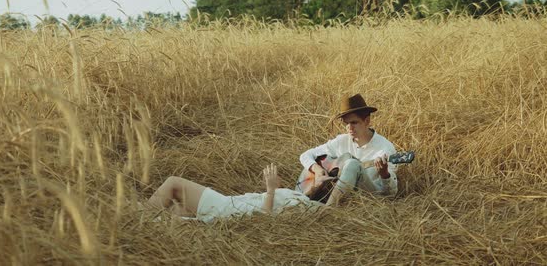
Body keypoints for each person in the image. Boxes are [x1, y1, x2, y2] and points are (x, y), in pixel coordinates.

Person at [297, 94, 398, 206]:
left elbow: (390, 195)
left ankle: (327, 210)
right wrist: (317, 170)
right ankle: (302, 203)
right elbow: (305, 155)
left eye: (354, 122)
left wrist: (385, 175)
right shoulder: (341, 141)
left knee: (353, 164)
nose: (349, 127)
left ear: (367, 121)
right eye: (346, 123)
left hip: (368, 196)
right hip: (341, 197)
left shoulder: (385, 148)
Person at [146, 164, 323, 223]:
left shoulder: (306, 207)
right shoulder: (299, 197)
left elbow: (266, 220)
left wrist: (270, 190)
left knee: (173, 183)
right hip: (232, 204)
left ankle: (139, 219)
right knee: (173, 212)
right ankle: (140, 219)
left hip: (229, 209)